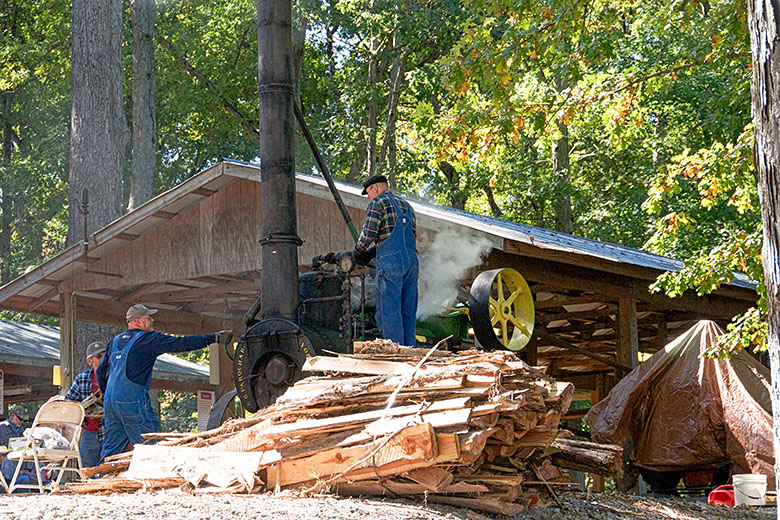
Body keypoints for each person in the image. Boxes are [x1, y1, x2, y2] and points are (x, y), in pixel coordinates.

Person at [96, 304, 232, 461]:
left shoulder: (113, 342)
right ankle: (154, 474)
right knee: (151, 444)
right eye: (148, 318)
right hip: (131, 400)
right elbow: (181, 343)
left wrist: (108, 395)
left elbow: (100, 372)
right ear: (138, 321)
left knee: (112, 448)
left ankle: (99, 474)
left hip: (110, 403)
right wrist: (214, 338)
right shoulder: (148, 339)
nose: (152, 320)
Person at [354, 174, 419, 346]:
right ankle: (410, 351)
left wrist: (359, 250)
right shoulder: (407, 206)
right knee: (408, 311)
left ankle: (395, 353)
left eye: (368, 192)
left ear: (375, 188)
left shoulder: (378, 203)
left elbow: (369, 233)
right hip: (411, 263)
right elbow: (409, 237)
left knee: (389, 311)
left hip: (391, 263)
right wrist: (373, 252)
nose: (368, 197)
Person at [64, 341, 106, 467]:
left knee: (109, 468)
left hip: (109, 430)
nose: (103, 359)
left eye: (104, 356)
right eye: (98, 356)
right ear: (89, 361)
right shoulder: (81, 378)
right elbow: (69, 402)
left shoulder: (113, 377)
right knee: (88, 470)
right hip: (88, 432)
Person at [0, 405, 40, 489]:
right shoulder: (1, 427)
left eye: (23, 420)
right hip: (6, 464)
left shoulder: (21, 430)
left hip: (20, 462)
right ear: (12, 415)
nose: (22, 422)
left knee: (37, 461)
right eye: (20, 419)